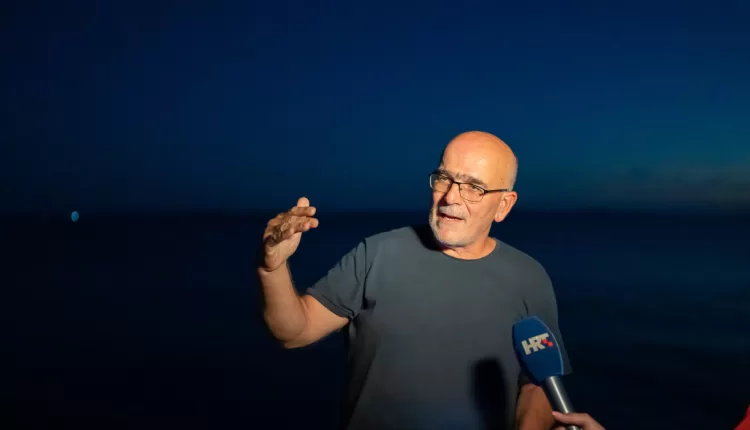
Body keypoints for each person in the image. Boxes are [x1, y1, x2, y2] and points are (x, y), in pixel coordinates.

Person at [257, 131, 573, 430]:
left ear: (504, 205)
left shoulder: (529, 277)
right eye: (444, 178)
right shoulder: (376, 255)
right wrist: (273, 268)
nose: (450, 196)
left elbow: (538, 384)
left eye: (473, 187)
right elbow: (293, 332)